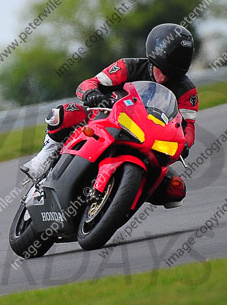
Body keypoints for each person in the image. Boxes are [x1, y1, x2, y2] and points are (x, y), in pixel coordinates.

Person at [20, 23, 198, 208]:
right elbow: (87, 84)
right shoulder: (128, 66)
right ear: (153, 58)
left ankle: (124, 195)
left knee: (176, 190)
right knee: (64, 113)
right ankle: (45, 157)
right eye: (161, 71)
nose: (163, 78)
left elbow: (188, 126)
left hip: (149, 139)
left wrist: (184, 143)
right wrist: (91, 93)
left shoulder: (187, 91)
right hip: (109, 120)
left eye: (170, 75)